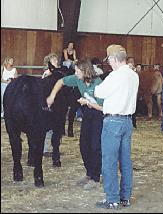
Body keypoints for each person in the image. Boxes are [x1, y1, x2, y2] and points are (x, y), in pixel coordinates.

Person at [47, 59, 104, 190]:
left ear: (85, 71)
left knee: (95, 146)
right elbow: (60, 81)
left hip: (99, 115)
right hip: (87, 114)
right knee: (84, 145)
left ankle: (96, 177)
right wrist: (52, 96)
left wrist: (87, 103)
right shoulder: (78, 79)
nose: (75, 73)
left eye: (77, 71)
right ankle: (89, 173)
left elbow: (103, 107)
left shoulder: (98, 83)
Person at [94, 44, 139, 209]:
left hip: (113, 122)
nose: (110, 64)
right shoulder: (134, 75)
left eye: (110, 61)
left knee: (109, 161)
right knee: (126, 161)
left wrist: (95, 87)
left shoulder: (115, 76)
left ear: (113, 59)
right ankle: (125, 197)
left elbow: (99, 92)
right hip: (127, 122)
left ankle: (112, 199)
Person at [41, 53, 60, 156]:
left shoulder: (57, 73)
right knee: (47, 127)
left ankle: (52, 148)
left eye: (56, 60)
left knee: (53, 127)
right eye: (54, 61)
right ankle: (45, 149)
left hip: (55, 103)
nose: (56, 62)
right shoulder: (47, 73)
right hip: (48, 103)